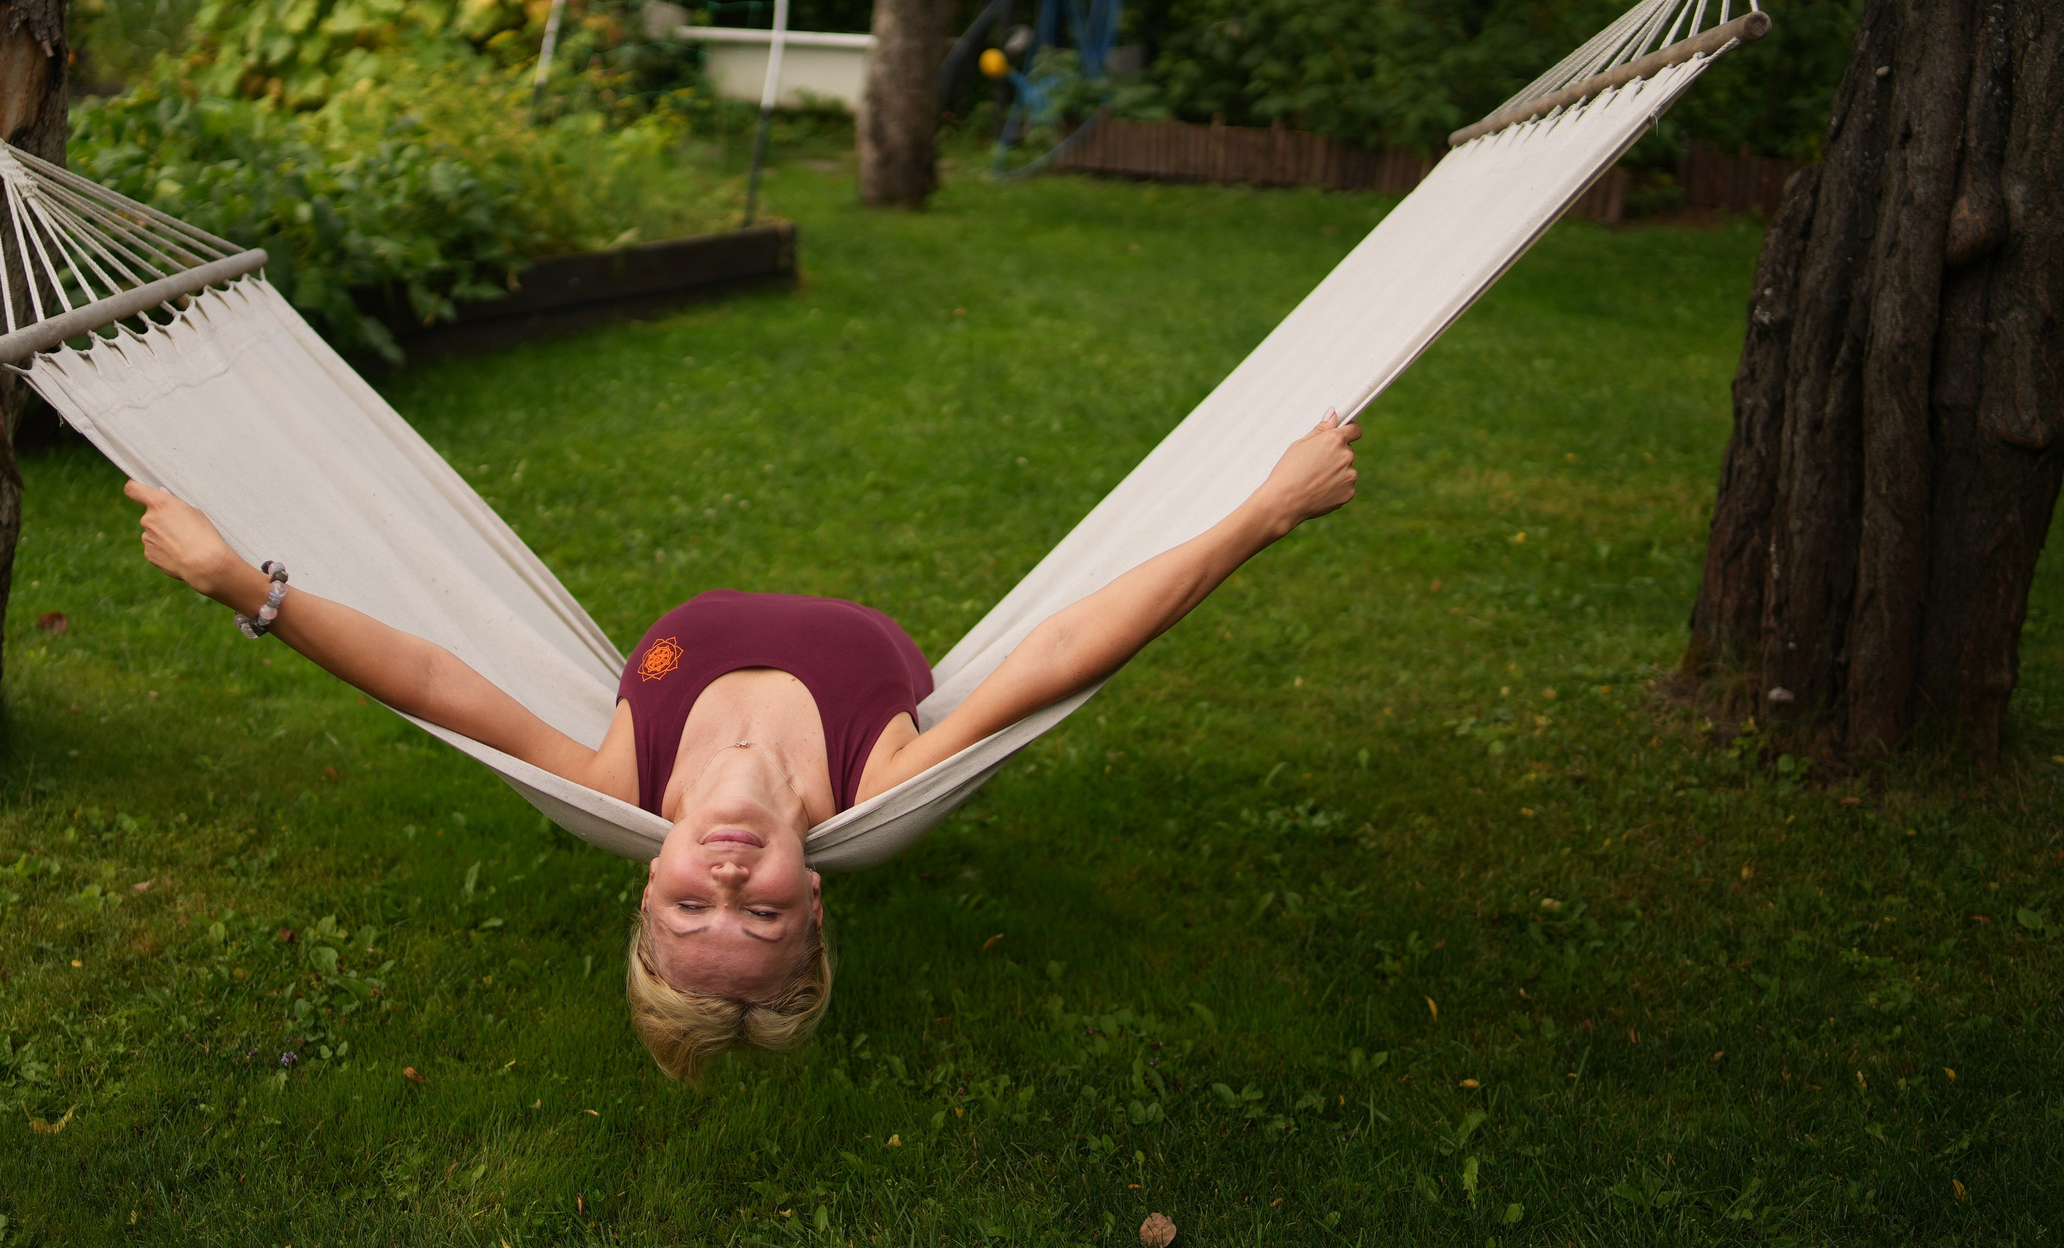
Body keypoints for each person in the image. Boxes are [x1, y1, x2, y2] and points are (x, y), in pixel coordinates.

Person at [126, 413, 1361, 1078]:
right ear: (814, 903)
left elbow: (443, 681)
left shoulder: (624, 787)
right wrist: (1262, 512)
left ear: (645, 883)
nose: (723, 882)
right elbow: (1060, 654)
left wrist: (246, 586)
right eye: (759, 920)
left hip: (677, 660)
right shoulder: (875, 789)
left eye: (686, 912)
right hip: (855, 673)